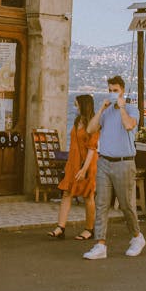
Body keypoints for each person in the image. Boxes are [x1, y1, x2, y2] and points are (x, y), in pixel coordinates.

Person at [83, 75, 146, 260]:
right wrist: (102, 108)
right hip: (104, 162)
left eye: (115, 90)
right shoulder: (106, 111)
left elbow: (128, 125)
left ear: (123, 91)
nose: (112, 94)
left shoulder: (132, 109)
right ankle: (100, 244)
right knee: (101, 204)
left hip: (124, 162)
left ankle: (137, 236)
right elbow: (90, 129)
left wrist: (121, 107)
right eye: (110, 90)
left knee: (126, 205)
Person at [47, 94, 99, 241]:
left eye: (76, 105)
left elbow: (92, 149)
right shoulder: (77, 122)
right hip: (73, 163)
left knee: (88, 196)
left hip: (86, 164)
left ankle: (89, 229)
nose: (74, 108)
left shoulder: (93, 124)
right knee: (67, 193)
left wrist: (84, 169)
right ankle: (60, 227)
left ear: (83, 106)